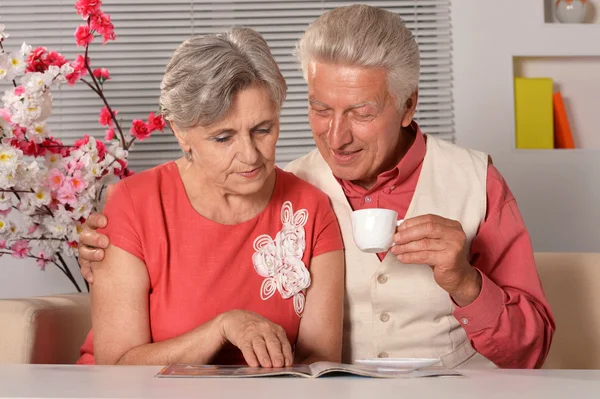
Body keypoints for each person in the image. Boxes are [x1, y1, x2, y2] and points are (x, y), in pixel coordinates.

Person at [78, 5, 555, 369]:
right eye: (320, 109)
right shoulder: (286, 183)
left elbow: (532, 350)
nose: (336, 136)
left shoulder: (474, 180)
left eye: (362, 113)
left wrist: (467, 284)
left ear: (407, 106)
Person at [75, 28, 345, 367]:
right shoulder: (135, 204)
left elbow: (317, 364)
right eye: (223, 138)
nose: (250, 155)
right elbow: (117, 366)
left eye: (263, 129)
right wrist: (221, 328)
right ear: (180, 132)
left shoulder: (311, 209)